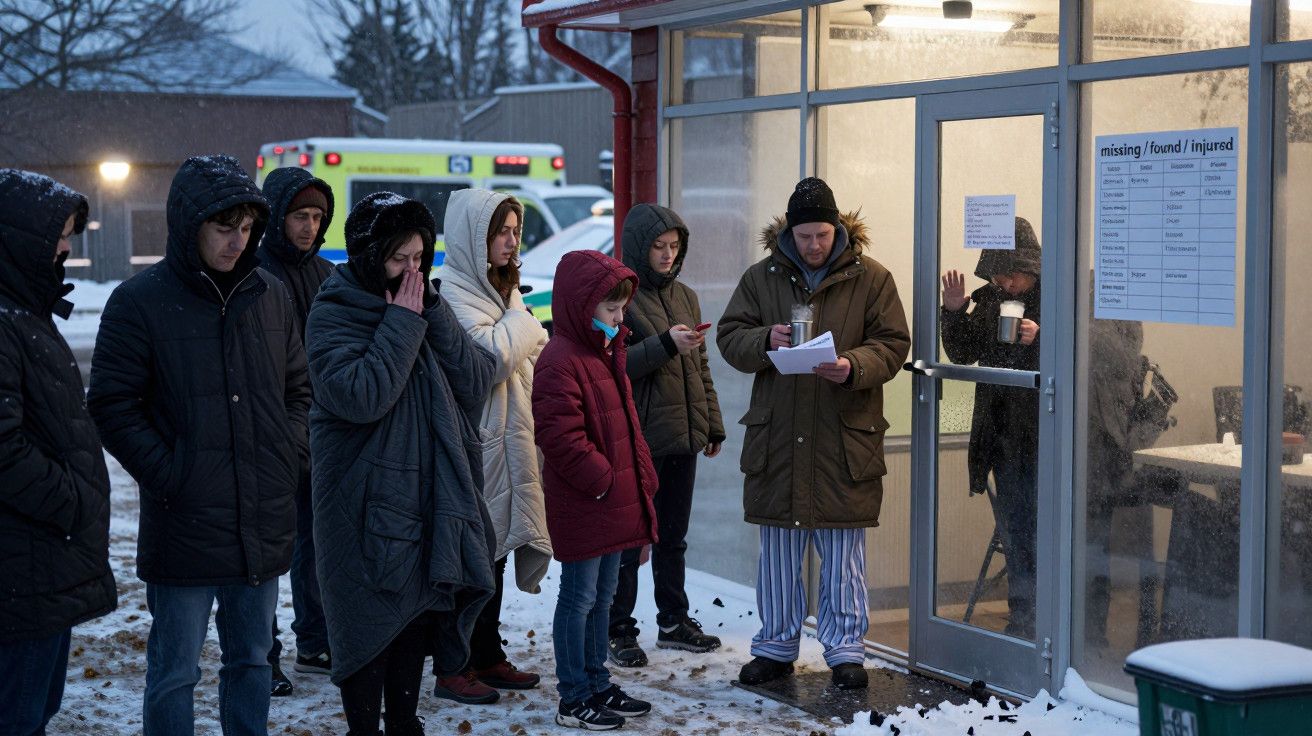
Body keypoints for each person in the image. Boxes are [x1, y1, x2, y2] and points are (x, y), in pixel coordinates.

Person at [88, 155, 310, 735]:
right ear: (190, 226)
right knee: (175, 672)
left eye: (246, 229)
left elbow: (300, 390)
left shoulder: (270, 294)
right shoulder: (140, 301)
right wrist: (174, 474)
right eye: (223, 228)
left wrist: (286, 455)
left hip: (259, 521)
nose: (238, 243)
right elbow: (113, 404)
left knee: (251, 663)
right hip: (184, 523)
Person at [305, 191, 497, 736]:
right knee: (369, 625)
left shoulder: (421, 306)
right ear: (369, 257)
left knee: (414, 615)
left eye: (420, 259)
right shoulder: (335, 311)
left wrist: (431, 316)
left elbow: (476, 381)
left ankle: (405, 723)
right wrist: (402, 323)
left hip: (424, 497)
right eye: (399, 260)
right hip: (360, 506)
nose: (412, 273)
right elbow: (361, 395)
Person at [718, 177, 909, 690]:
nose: (814, 245)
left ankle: (846, 650)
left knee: (842, 550)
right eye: (804, 236)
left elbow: (893, 342)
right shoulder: (761, 278)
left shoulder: (873, 279)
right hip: (779, 436)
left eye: (822, 234)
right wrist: (765, 339)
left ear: (839, 228)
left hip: (843, 438)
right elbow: (729, 336)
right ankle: (775, 647)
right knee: (778, 550)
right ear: (788, 234)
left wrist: (853, 365)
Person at [0, 169, 116, 735]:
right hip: (23, 565)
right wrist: (69, 500)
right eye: (59, 235)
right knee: (18, 716)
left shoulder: (25, 311)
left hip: (41, 563)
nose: (67, 248)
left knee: (34, 711)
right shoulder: (4, 321)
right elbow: (3, 448)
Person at [532, 250, 659, 731]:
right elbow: (561, 437)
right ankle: (574, 695)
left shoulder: (606, 354)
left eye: (623, 309)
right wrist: (604, 481)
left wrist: (641, 481)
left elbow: (628, 426)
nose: (620, 318)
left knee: (603, 598)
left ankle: (597, 681)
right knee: (579, 599)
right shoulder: (560, 360)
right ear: (583, 306)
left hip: (612, 504)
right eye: (612, 310)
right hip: (586, 504)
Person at [433, 189, 551, 704]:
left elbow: (517, 348)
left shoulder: (502, 292)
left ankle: (486, 654)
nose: (510, 241)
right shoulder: (453, 295)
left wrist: (517, 328)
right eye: (499, 232)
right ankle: (452, 665)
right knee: (468, 559)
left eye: (513, 231)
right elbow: (490, 359)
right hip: (472, 443)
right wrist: (525, 327)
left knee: (497, 551)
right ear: (472, 238)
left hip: (506, 439)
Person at [608, 203, 725, 668]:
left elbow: (700, 367)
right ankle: (617, 628)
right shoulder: (621, 296)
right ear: (640, 246)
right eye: (658, 246)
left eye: (674, 247)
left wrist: (711, 424)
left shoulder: (687, 296)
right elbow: (616, 367)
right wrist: (663, 344)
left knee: (673, 535)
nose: (667, 255)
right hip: (640, 437)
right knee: (630, 538)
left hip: (683, 436)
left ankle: (673, 619)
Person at [939, 216, 1041, 639]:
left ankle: (1054, 620)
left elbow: (1088, 357)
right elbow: (963, 352)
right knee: (1016, 528)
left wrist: (1044, 337)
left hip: (1045, 433)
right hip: (1002, 433)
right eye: (1000, 274)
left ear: (1034, 269)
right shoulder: (988, 299)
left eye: (1015, 274)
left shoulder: (1062, 299)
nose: (1008, 283)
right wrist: (955, 310)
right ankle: (1024, 619)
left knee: (1042, 526)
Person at [256, 166, 335, 696]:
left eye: (316, 217)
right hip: (269, 428)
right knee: (265, 551)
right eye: (298, 216)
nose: (308, 227)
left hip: (320, 428)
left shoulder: (326, 274)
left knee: (315, 541)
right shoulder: (255, 271)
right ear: (276, 217)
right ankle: (262, 654)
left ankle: (314, 637)